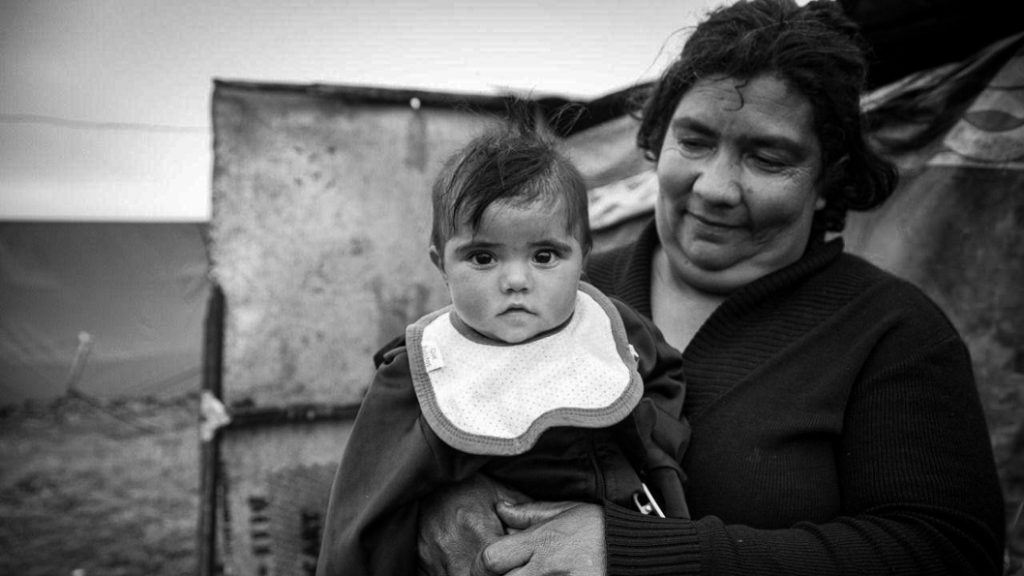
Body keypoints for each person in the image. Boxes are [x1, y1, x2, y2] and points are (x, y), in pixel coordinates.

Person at [413, 0, 1008, 574]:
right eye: (694, 141)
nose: (716, 187)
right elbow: (418, 439)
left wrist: (641, 555)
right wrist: (437, 508)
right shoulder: (556, 289)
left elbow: (947, 550)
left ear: (830, 178)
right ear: (656, 137)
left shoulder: (891, 333)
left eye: (768, 158)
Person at [315, 125, 692, 576]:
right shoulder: (419, 371)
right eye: (482, 258)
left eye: (545, 255)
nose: (516, 280)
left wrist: (651, 463)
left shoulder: (611, 326)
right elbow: (361, 515)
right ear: (441, 264)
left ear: (583, 256)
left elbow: (666, 377)